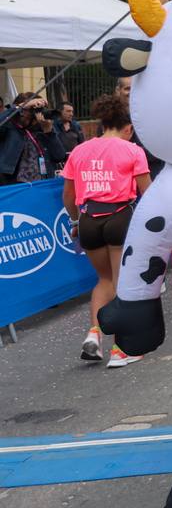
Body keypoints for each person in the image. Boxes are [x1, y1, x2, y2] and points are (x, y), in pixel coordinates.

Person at [60, 94, 150, 367]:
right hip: (120, 217)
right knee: (123, 283)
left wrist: (75, 222)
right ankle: (121, 350)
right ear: (128, 127)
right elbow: (149, 192)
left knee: (104, 281)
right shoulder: (133, 150)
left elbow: (68, 194)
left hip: (88, 219)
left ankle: (94, 335)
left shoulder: (80, 150)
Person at [0, 92, 65, 185]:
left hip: (42, 185)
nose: (36, 115)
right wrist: (20, 106)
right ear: (21, 112)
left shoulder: (42, 129)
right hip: (15, 187)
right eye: (32, 110)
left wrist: (49, 132)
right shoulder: (9, 127)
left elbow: (59, 156)